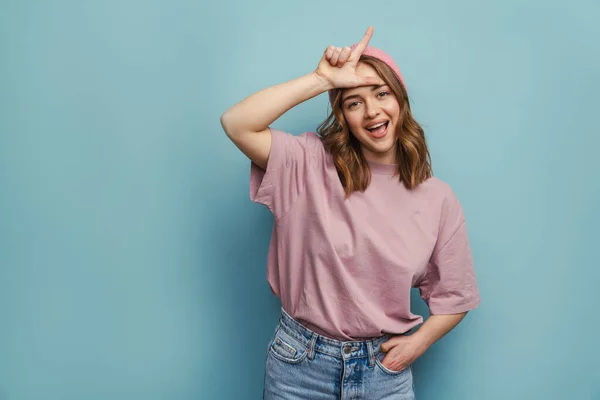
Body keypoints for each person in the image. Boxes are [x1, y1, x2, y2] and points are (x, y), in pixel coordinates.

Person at [220, 26, 480, 400]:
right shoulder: (308, 164)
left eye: (381, 93)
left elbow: (456, 295)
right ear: (342, 116)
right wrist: (320, 79)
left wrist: (418, 343)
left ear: (400, 101)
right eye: (353, 102)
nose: (372, 110)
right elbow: (236, 123)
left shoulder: (438, 199)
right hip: (299, 368)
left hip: (384, 374)